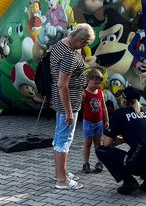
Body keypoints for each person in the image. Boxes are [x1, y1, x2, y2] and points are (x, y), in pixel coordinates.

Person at [96, 86, 146, 195]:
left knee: (101, 151)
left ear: (123, 99)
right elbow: (143, 135)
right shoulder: (144, 112)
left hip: (139, 163)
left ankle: (129, 182)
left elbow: (106, 143)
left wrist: (114, 139)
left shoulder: (120, 113)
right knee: (139, 152)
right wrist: (124, 140)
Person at [49, 23, 96, 190]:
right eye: (86, 43)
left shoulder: (59, 44)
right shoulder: (69, 55)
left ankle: (59, 173)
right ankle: (62, 180)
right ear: (81, 40)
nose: (85, 47)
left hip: (60, 100)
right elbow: (63, 84)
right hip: (67, 103)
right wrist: (69, 112)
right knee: (64, 140)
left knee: (59, 137)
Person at [82, 68, 109, 174]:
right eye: (95, 83)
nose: (97, 85)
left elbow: (104, 107)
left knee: (97, 143)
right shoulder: (84, 93)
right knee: (87, 143)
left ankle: (99, 162)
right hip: (88, 122)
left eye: (98, 83)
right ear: (88, 80)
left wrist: (106, 120)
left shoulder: (100, 92)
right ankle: (86, 163)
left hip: (99, 122)